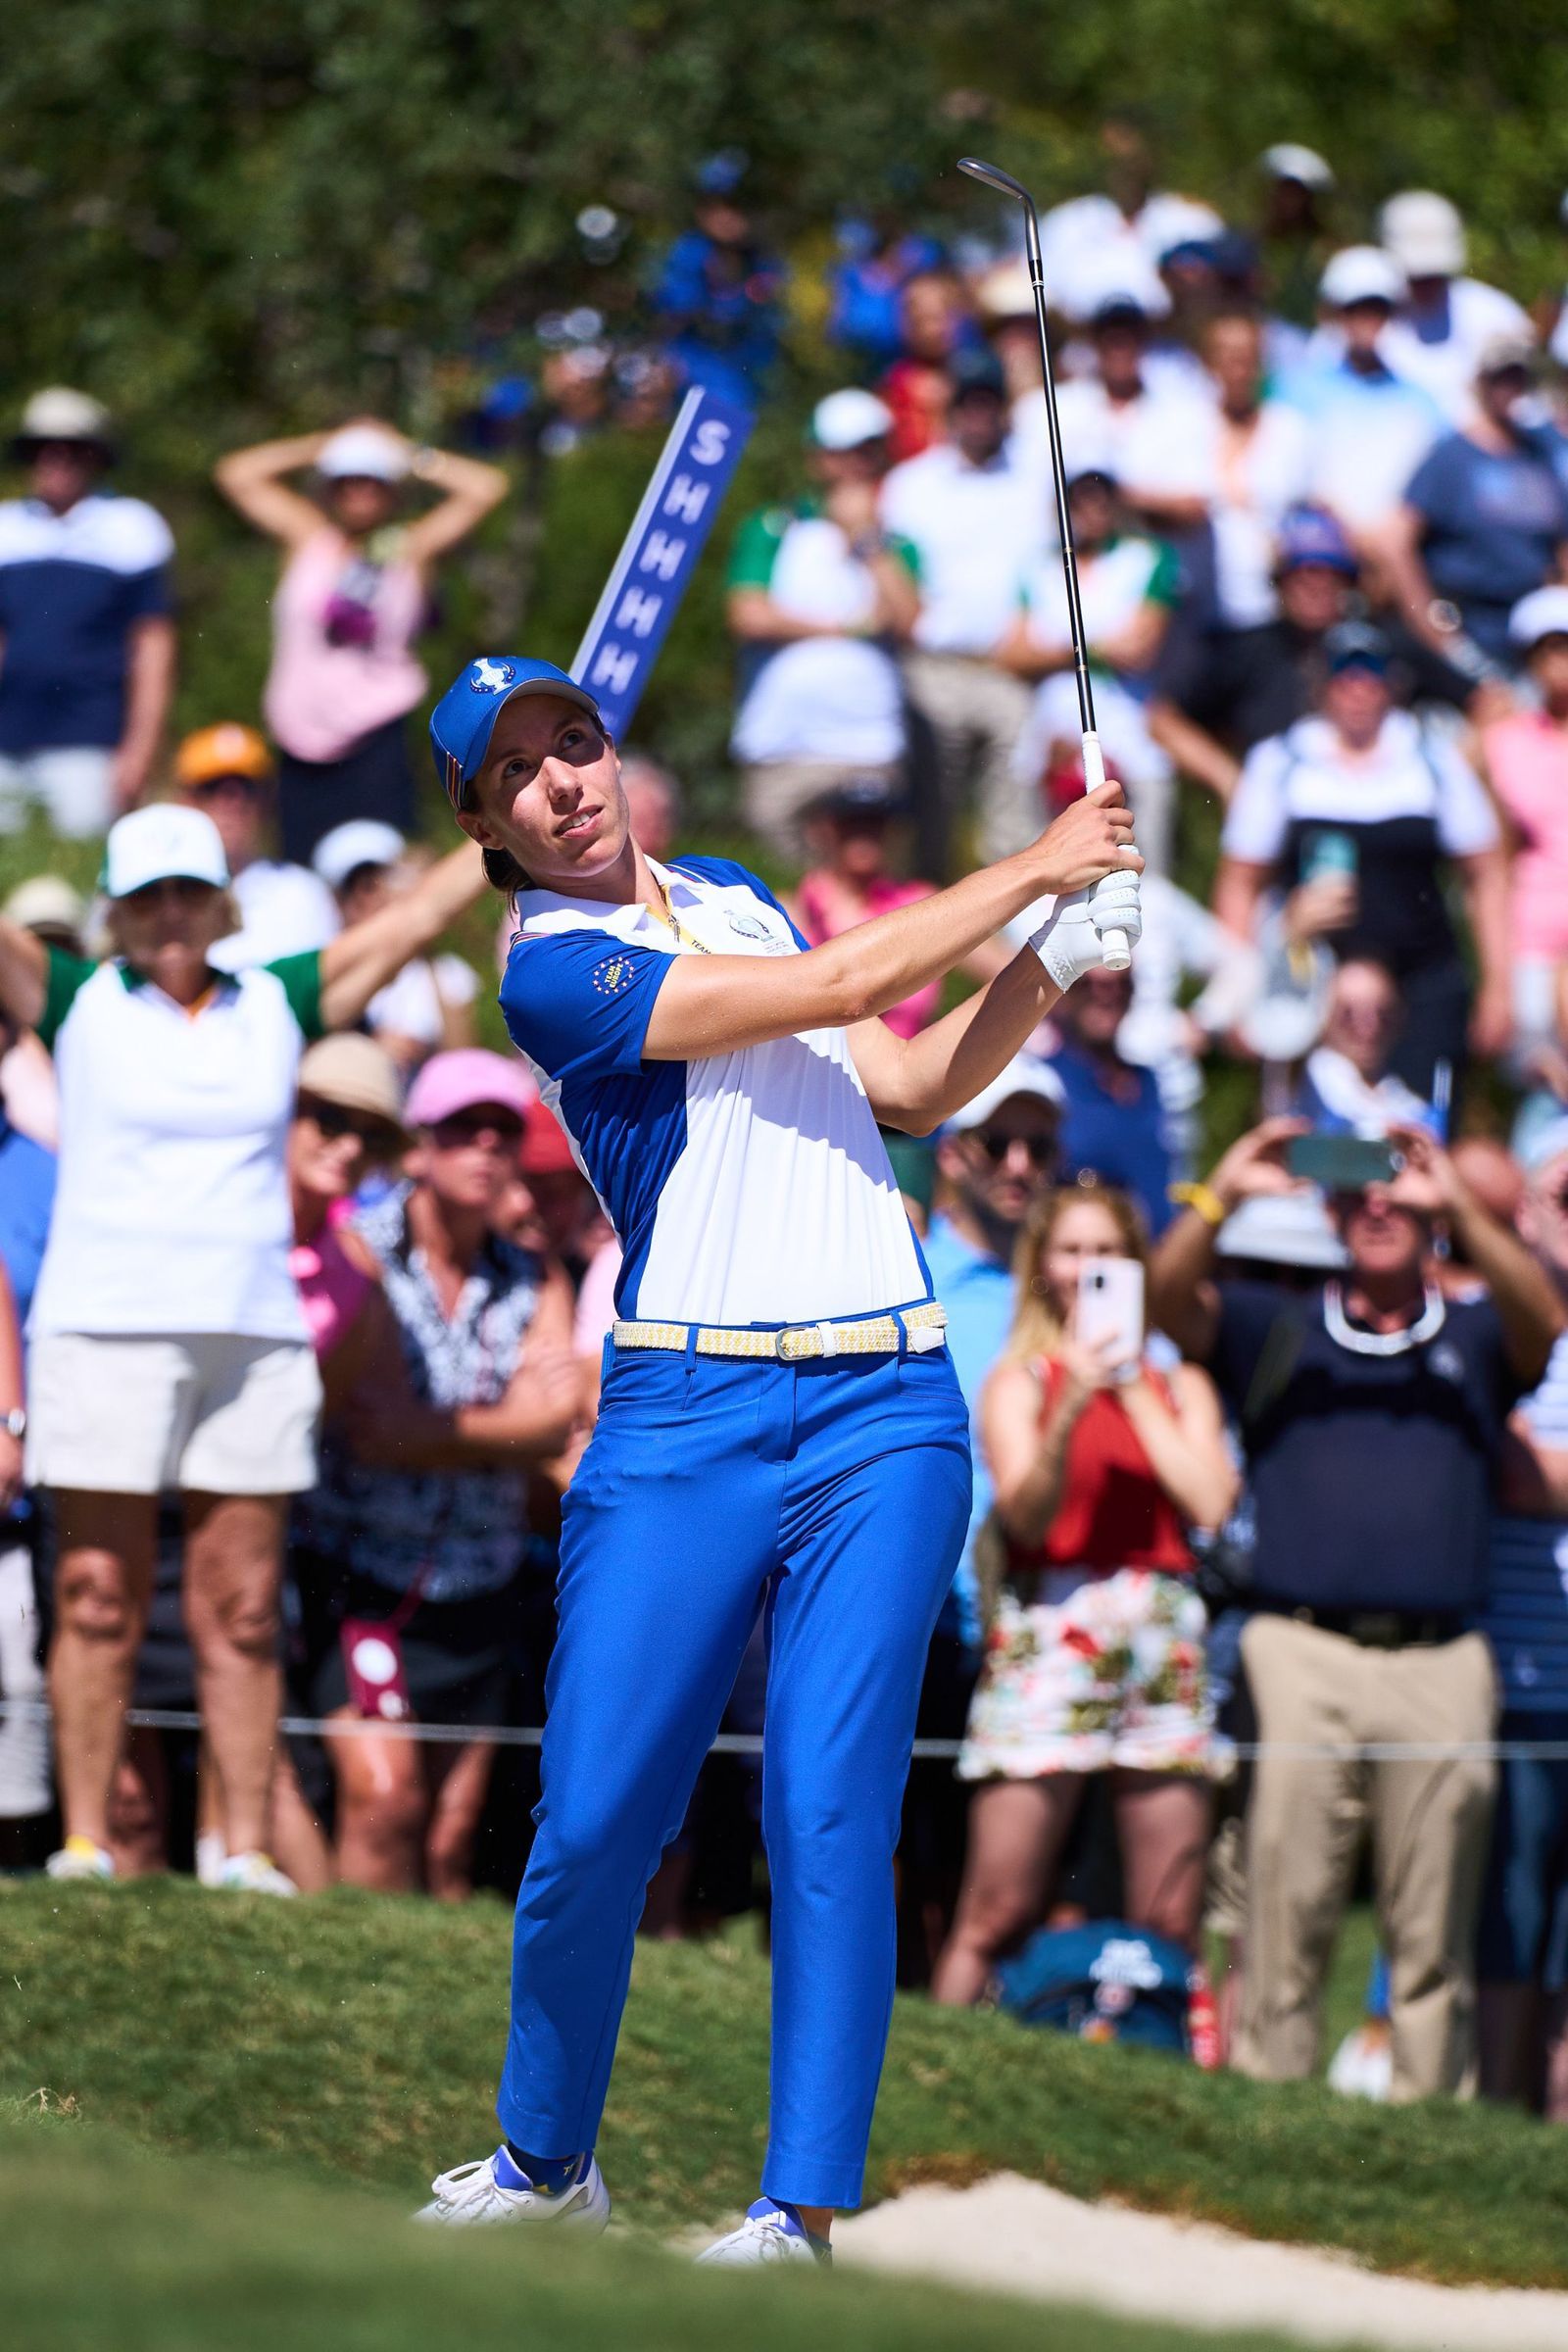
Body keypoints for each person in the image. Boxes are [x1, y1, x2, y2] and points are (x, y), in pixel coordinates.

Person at [416, 652, 1141, 2252]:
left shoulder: (738, 889)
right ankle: (545, 2166)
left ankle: (799, 2215)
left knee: (831, 1815)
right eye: (524, 770)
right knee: (598, 1815)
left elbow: (902, 1076)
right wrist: (1036, 861)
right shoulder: (548, 966)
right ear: (486, 821)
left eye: (580, 742)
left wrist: (1045, 954)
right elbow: (825, 995)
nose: (567, 781)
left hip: (887, 1401)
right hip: (689, 1412)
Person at [0, 802, 485, 1890]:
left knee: (244, 1605)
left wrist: (501, 821)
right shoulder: (74, 1001)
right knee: (93, 1591)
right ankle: (83, 1845)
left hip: (252, 1335)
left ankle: (241, 1851)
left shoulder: (277, 1000)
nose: (169, 916)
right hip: (102, 1324)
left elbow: (411, 923)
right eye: (146, 897)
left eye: (188, 893)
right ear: (116, 912)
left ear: (222, 903)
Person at [1150, 1115, 1563, 2097]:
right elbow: (1168, 1300)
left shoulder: (1468, 1331)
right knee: (1284, 1915)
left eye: (1393, 1187)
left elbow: (1539, 1322)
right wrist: (1223, 1193)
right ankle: (1270, 2123)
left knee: (1432, 1932)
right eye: (1354, 1191)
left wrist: (1455, 1200)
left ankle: (1422, 2140)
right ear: (1326, 1206)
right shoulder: (1274, 1324)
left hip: (1441, 1664)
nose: (1375, 1208)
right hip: (1300, 1654)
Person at [933, 1184, 1236, 2002]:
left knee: (1171, 1916)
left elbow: (1210, 1502)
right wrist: (1073, 1400)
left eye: (1108, 1252)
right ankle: (934, 2072)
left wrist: (1132, 1383)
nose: (1089, 1268)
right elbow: (1027, 1511)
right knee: (998, 1906)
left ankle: (1166, 2072)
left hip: (1161, 1627)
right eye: (1072, 1251)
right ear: (1043, 1267)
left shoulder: (1181, 1386)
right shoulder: (1019, 1381)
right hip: (1052, 1624)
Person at [292, 1051, 581, 1899]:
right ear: (418, 1146)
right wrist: (512, 1430)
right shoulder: (361, 1253)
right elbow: (376, 1434)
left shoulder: (533, 1273)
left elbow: (552, 1422)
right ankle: (349, 2006)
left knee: (454, 1840)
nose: (486, 1148)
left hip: (479, 1590)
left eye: (502, 1133)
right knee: (386, 1802)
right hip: (362, 1584)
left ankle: (427, 2025)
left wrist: (453, 1431)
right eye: (462, 1130)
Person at [1213, 620, 1509, 1095]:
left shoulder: (1431, 758)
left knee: (1417, 1130)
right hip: (1312, 982)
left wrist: (1498, 986)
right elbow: (1240, 880)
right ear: (1321, 684)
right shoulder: (1281, 761)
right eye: (1343, 674)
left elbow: (1485, 872)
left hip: (1420, 981)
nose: (1357, 689)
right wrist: (1234, 992)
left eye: (1370, 673)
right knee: (1312, 1135)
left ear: (1392, 684)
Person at [215, 418, 507, 861]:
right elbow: (237, 474)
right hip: (298, 745)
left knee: (380, 874)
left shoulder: (410, 549)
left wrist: (406, 452)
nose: (360, 492)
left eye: (373, 481)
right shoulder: (308, 540)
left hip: (374, 744)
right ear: (330, 489)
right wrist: (325, 444)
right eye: (348, 481)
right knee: (302, 875)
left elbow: (486, 487)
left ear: (393, 491)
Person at [1477, 1122, 1568, 2119]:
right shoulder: (1496, 1328)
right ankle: (1496, 2146)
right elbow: (1495, 1465)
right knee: (1503, 1944)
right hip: (1511, 1688)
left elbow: (1521, 1473)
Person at [727, 391, 920, 859]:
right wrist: (848, 628)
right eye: (847, 451)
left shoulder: (896, 542)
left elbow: (908, 620)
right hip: (782, 748)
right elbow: (748, 614)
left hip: (869, 747)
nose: (860, 464)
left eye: (870, 450)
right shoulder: (773, 527)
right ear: (818, 457)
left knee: (867, 901)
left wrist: (868, 541)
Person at [881, 347, 1045, 873]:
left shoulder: (1035, 481)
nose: (979, 414)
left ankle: (1019, 930)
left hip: (1012, 673)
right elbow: (895, 575)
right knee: (932, 816)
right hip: (932, 669)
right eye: (969, 402)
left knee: (1016, 820)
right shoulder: (913, 484)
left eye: (989, 402)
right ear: (951, 409)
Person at [0, 387, 174, 836]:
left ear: (95, 456)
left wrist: (139, 751)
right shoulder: (7, 528)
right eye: (43, 448)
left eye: (72, 449)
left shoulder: (130, 527)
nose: (56, 460)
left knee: (83, 875)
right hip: (7, 739)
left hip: (91, 741)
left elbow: (153, 648)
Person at [1002, 466, 1180, 874]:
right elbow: (1012, 654)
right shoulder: (1038, 567)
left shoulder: (1148, 558)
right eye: (1080, 502)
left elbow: (1140, 648)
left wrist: (1055, 648)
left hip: (1127, 727)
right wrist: (1094, 646)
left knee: (1140, 859)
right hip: (1049, 733)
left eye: (1102, 501)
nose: (1093, 511)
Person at [1377, 339, 1568, 693]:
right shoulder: (1452, 457)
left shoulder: (1540, 456)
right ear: (1481, 382)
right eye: (1499, 378)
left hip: (1529, 633)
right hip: (1467, 628)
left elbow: (1560, 548)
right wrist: (1430, 621)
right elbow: (1396, 543)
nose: (1508, 389)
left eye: (1516, 378)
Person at [1285, 249, 1444, 540]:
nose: (1367, 320)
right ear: (1335, 313)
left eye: (1377, 308)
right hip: (1322, 548)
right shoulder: (1298, 390)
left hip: (1399, 548)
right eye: (1355, 309)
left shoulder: (1421, 400)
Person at [312, 819, 481, 1074]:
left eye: (377, 882)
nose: (370, 897)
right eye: (358, 887)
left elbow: (464, 1062)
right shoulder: (322, 968)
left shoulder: (447, 973)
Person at [1480, 588, 1568, 1063]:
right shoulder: (1504, 739)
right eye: (1549, 648)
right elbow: (1494, 850)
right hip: (1532, 931)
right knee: (1539, 1071)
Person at [174, 723, 339, 971]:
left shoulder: (303, 895)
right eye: (212, 787)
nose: (231, 801)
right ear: (185, 801)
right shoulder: (151, 894)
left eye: (246, 787)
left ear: (266, 800)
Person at [786, 776, 937, 1037]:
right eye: (851, 823)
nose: (864, 834)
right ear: (821, 830)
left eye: (875, 822)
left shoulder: (921, 901)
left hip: (909, 1066)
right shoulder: (790, 911)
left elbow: (998, 959)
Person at [1377, 192, 1534, 425]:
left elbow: (1527, 404)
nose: (1426, 284)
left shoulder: (1495, 314)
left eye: (1433, 275)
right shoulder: (1375, 320)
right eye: (1416, 277)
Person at [649, 150, 787, 406]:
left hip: (751, 375)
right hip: (697, 376)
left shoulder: (763, 261)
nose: (730, 216)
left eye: (740, 206)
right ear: (702, 212)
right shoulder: (686, 257)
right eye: (719, 206)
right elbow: (673, 317)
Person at [1049, 965, 1173, 1235]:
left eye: (1121, 983)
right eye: (1087, 985)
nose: (1106, 995)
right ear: (1064, 993)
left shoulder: (1149, 1081)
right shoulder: (1043, 1081)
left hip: (1155, 1260)